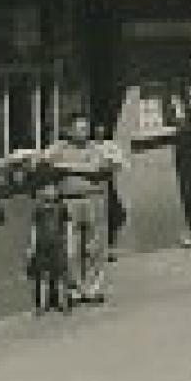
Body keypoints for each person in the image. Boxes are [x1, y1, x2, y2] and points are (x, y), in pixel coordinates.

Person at [45, 114, 125, 303]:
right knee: (71, 247)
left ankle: (93, 288)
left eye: (86, 129)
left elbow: (99, 168)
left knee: (94, 246)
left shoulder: (97, 148)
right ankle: (75, 289)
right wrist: (77, 166)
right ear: (69, 131)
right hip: (69, 201)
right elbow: (44, 162)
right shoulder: (59, 147)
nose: (84, 133)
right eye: (79, 129)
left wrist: (67, 167)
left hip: (93, 199)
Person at [25, 173, 73, 314]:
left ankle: (63, 303)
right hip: (42, 246)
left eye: (52, 189)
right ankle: (42, 305)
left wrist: (69, 244)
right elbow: (34, 229)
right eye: (47, 189)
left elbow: (68, 226)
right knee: (43, 277)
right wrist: (32, 247)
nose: (50, 192)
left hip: (58, 245)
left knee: (60, 276)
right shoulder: (38, 209)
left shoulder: (62, 208)